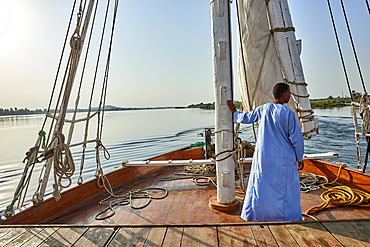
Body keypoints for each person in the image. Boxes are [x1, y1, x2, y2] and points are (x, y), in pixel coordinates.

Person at [227, 82, 304, 222]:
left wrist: (234, 112)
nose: (290, 96)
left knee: (261, 187)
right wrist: (300, 158)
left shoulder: (263, 109)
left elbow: (246, 118)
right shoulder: (288, 114)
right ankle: (286, 217)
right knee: (286, 190)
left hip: (264, 158)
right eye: (289, 93)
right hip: (283, 160)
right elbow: (297, 139)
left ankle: (258, 215)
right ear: (283, 94)